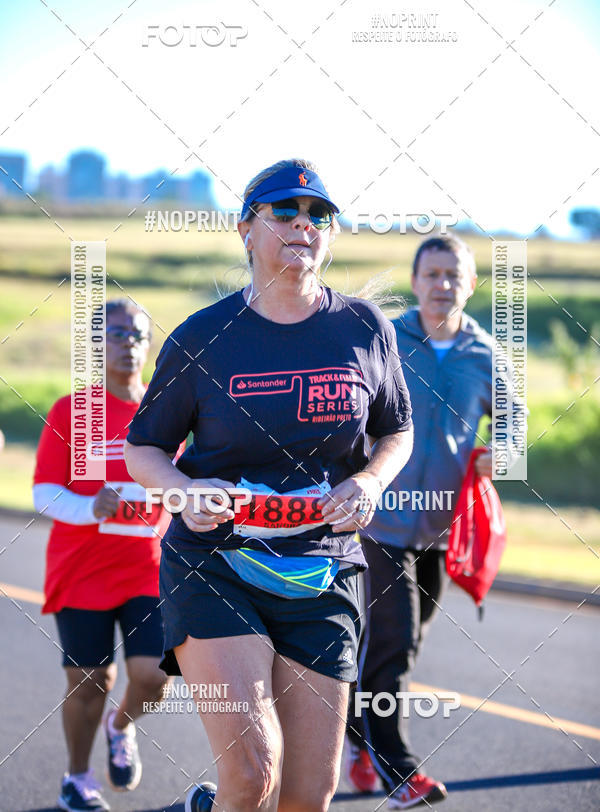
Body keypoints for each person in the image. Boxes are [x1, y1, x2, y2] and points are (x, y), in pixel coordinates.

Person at [124, 158, 415, 812]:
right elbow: (142, 448)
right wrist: (183, 493)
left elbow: (398, 431)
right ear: (245, 230)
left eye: (319, 216)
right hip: (216, 565)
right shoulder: (204, 336)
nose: (303, 225)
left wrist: (369, 481)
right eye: (284, 212)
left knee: (308, 795)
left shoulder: (365, 329)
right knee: (255, 772)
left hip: (325, 570)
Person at [345, 234, 494, 809]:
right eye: (431, 274)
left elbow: (514, 427)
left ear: (471, 284)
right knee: (396, 639)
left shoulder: (485, 355)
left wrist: (500, 457)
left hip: (440, 528)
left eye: (454, 275)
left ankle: (357, 736)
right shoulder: (386, 338)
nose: (442, 285)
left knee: (402, 642)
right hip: (378, 522)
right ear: (414, 281)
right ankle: (397, 767)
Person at [33, 300, 171, 812]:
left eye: (137, 334)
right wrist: (91, 506)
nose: (128, 343)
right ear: (97, 345)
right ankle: (76, 778)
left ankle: (121, 726)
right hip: (83, 568)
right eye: (115, 334)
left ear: (148, 344)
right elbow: (43, 493)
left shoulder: (163, 412)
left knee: (153, 677)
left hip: (147, 568)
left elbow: (180, 483)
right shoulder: (71, 411)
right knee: (91, 679)